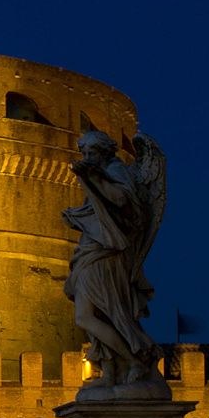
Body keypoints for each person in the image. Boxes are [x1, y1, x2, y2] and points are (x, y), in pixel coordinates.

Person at [63, 129, 167, 390]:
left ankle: (134, 359)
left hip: (109, 255)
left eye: (91, 153)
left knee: (101, 313)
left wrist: (94, 176)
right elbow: (97, 211)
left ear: (104, 152)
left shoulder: (117, 170)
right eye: (84, 153)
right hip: (92, 250)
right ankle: (110, 370)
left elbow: (122, 201)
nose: (87, 157)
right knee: (90, 316)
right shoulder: (99, 171)